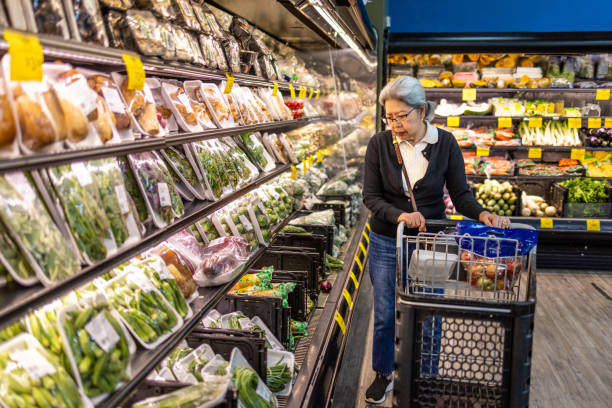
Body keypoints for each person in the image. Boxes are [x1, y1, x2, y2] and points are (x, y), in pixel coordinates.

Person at [362, 76, 509, 404]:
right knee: (386, 313)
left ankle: (425, 376)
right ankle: (384, 373)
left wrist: (483, 214)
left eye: (402, 116)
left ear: (423, 110)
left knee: (430, 312)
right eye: (390, 117)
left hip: (433, 241)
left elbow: (460, 194)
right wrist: (400, 215)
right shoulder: (379, 144)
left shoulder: (445, 143)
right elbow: (370, 197)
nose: (396, 124)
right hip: (387, 240)